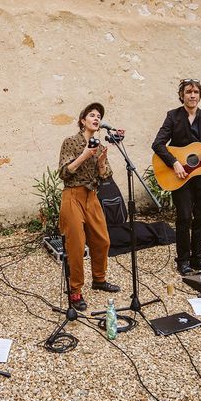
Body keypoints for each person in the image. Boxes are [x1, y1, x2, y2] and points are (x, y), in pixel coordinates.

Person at [151, 79, 201, 275]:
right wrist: (175, 163)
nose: (192, 95)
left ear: (199, 95)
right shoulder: (173, 116)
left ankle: (197, 258)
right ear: (182, 95)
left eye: (195, 92)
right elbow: (158, 144)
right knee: (184, 217)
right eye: (188, 92)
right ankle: (183, 259)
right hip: (180, 175)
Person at [58, 102, 122, 311]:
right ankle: (75, 290)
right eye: (92, 115)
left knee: (102, 239)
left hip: (92, 196)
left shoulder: (101, 146)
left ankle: (99, 279)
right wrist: (85, 155)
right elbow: (64, 172)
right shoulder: (71, 142)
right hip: (73, 195)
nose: (96, 118)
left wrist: (102, 162)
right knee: (76, 245)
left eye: (99, 116)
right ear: (83, 120)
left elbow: (106, 176)